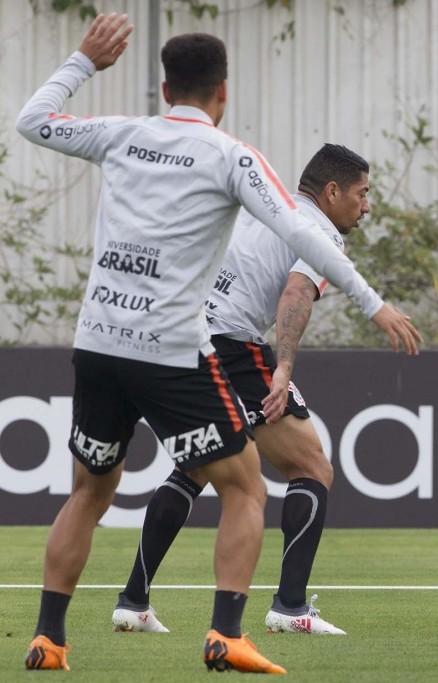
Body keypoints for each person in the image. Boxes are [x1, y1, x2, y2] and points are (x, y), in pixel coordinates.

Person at [16, 14, 421, 673]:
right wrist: (374, 303)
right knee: (244, 486)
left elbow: (32, 122)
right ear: (222, 92)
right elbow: (306, 235)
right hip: (171, 346)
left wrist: (83, 62)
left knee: (89, 490)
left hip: (96, 341)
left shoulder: (121, 134)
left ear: (163, 86)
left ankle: (48, 636)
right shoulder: (231, 155)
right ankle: (227, 632)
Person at [111, 143, 371, 636]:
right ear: (332, 192)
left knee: (197, 466)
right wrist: (283, 369)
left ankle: (133, 602)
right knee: (312, 467)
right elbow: (296, 293)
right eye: (361, 193)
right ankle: (291, 608)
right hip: (232, 343)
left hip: (182, 336)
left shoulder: (263, 204)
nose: (366, 205)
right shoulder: (318, 232)